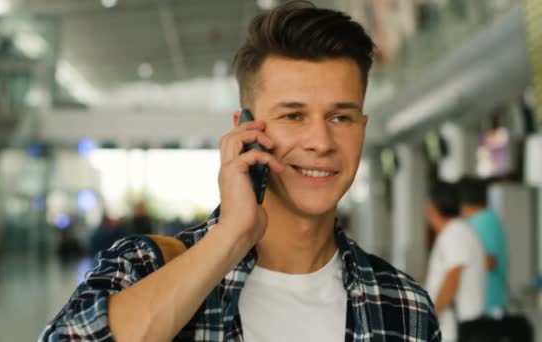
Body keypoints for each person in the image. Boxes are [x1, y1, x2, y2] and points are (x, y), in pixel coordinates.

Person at [41, 2, 440, 341]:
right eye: (293, 115)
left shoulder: (403, 305)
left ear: (362, 129)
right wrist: (231, 236)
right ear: (245, 128)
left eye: (340, 117)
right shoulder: (146, 267)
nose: (320, 141)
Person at [425, 181, 485, 341]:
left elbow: (452, 280)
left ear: (431, 208)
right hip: (455, 323)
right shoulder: (455, 231)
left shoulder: (455, 233)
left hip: (457, 326)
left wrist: (429, 319)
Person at [459, 176, 509, 318]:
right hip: (484, 304)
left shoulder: (483, 221)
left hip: (488, 305)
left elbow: (490, 261)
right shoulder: (483, 219)